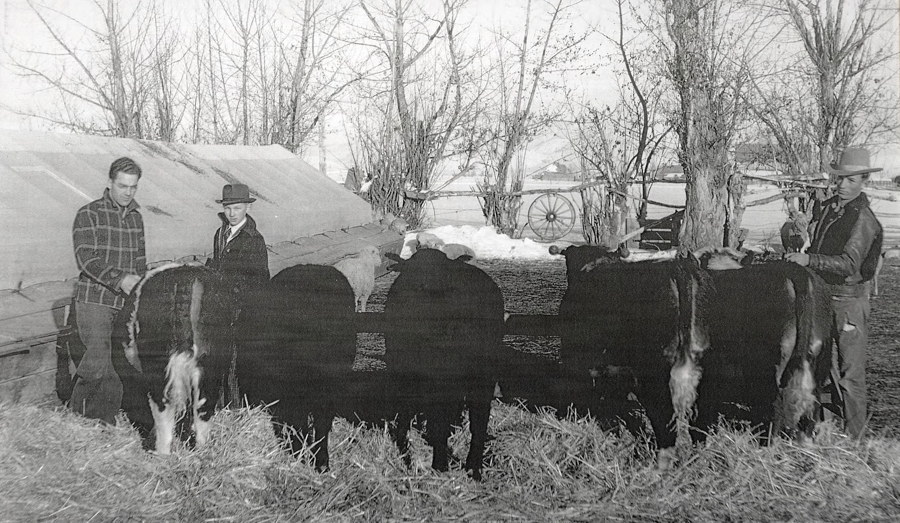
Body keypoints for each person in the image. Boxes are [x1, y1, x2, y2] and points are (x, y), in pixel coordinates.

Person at [785, 147, 884, 440]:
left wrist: (809, 261)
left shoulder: (865, 220)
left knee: (850, 375)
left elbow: (849, 264)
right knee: (820, 367)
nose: (842, 185)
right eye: (839, 178)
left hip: (849, 302)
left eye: (850, 180)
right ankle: (821, 431)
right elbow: (815, 243)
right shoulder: (829, 208)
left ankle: (857, 442)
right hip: (821, 297)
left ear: (864, 180)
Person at [70, 157, 147, 424]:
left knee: (118, 364)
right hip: (95, 300)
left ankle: (104, 420)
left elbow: (140, 261)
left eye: (133, 187)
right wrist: (120, 279)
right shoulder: (89, 214)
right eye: (123, 186)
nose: (128, 192)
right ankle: (79, 419)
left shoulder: (136, 219)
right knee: (96, 361)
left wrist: (140, 286)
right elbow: (87, 259)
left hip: (124, 304)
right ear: (110, 182)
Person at [206, 183, 269, 286]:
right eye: (227, 208)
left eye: (237, 208)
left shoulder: (254, 239)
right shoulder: (220, 233)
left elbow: (261, 280)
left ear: (248, 207)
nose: (232, 214)